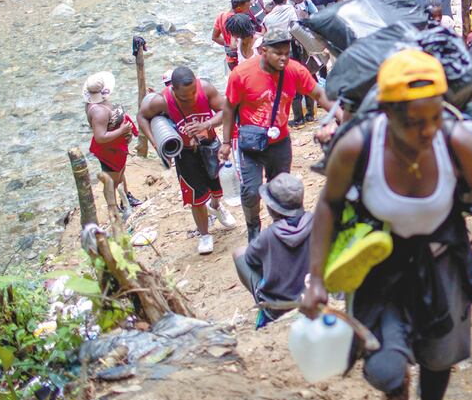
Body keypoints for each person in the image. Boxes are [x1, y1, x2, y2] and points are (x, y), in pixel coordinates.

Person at [302, 50, 472, 400]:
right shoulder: (357, 147)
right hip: (378, 265)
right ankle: (398, 395)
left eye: (435, 117)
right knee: (384, 367)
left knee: (439, 357)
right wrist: (315, 279)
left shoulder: (457, 142)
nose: (428, 131)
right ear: (388, 114)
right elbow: (329, 203)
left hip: (441, 261)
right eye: (414, 122)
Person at [222, 28, 337, 241]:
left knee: (280, 190)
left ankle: (282, 229)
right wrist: (226, 142)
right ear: (264, 51)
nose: (284, 58)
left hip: (280, 141)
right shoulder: (241, 74)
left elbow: (318, 93)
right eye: (278, 53)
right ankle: (253, 228)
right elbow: (229, 107)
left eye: (287, 53)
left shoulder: (295, 70)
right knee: (251, 191)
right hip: (251, 143)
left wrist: (340, 114)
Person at [138, 67, 238, 254]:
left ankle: (216, 206)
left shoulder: (206, 89)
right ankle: (204, 235)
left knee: (218, 186)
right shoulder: (162, 101)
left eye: (193, 92)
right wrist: (156, 144)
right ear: (173, 90)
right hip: (185, 153)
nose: (191, 98)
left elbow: (226, 110)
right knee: (195, 197)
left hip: (210, 145)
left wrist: (207, 124)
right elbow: (142, 116)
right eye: (185, 97)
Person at [232, 172, 312, 324]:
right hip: (311, 296)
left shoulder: (268, 236)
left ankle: (262, 296)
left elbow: (250, 259)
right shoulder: (316, 222)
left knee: (239, 254)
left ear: (272, 209)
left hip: (277, 308)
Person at [83, 71, 140, 211]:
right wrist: (121, 131)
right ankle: (113, 208)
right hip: (109, 150)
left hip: (117, 146)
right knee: (111, 180)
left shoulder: (100, 103)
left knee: (120, 171)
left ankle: (126, 197)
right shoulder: (98, 112)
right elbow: (100, 137)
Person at [213, 0, 252, 71]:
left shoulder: (221, 16)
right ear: (239, 8)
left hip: (230, 59)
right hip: (239, 59)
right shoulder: (238, 22)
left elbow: (215, 37)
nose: (249, 11)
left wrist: (226, 44)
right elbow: (233, 45)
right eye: (247, 8)